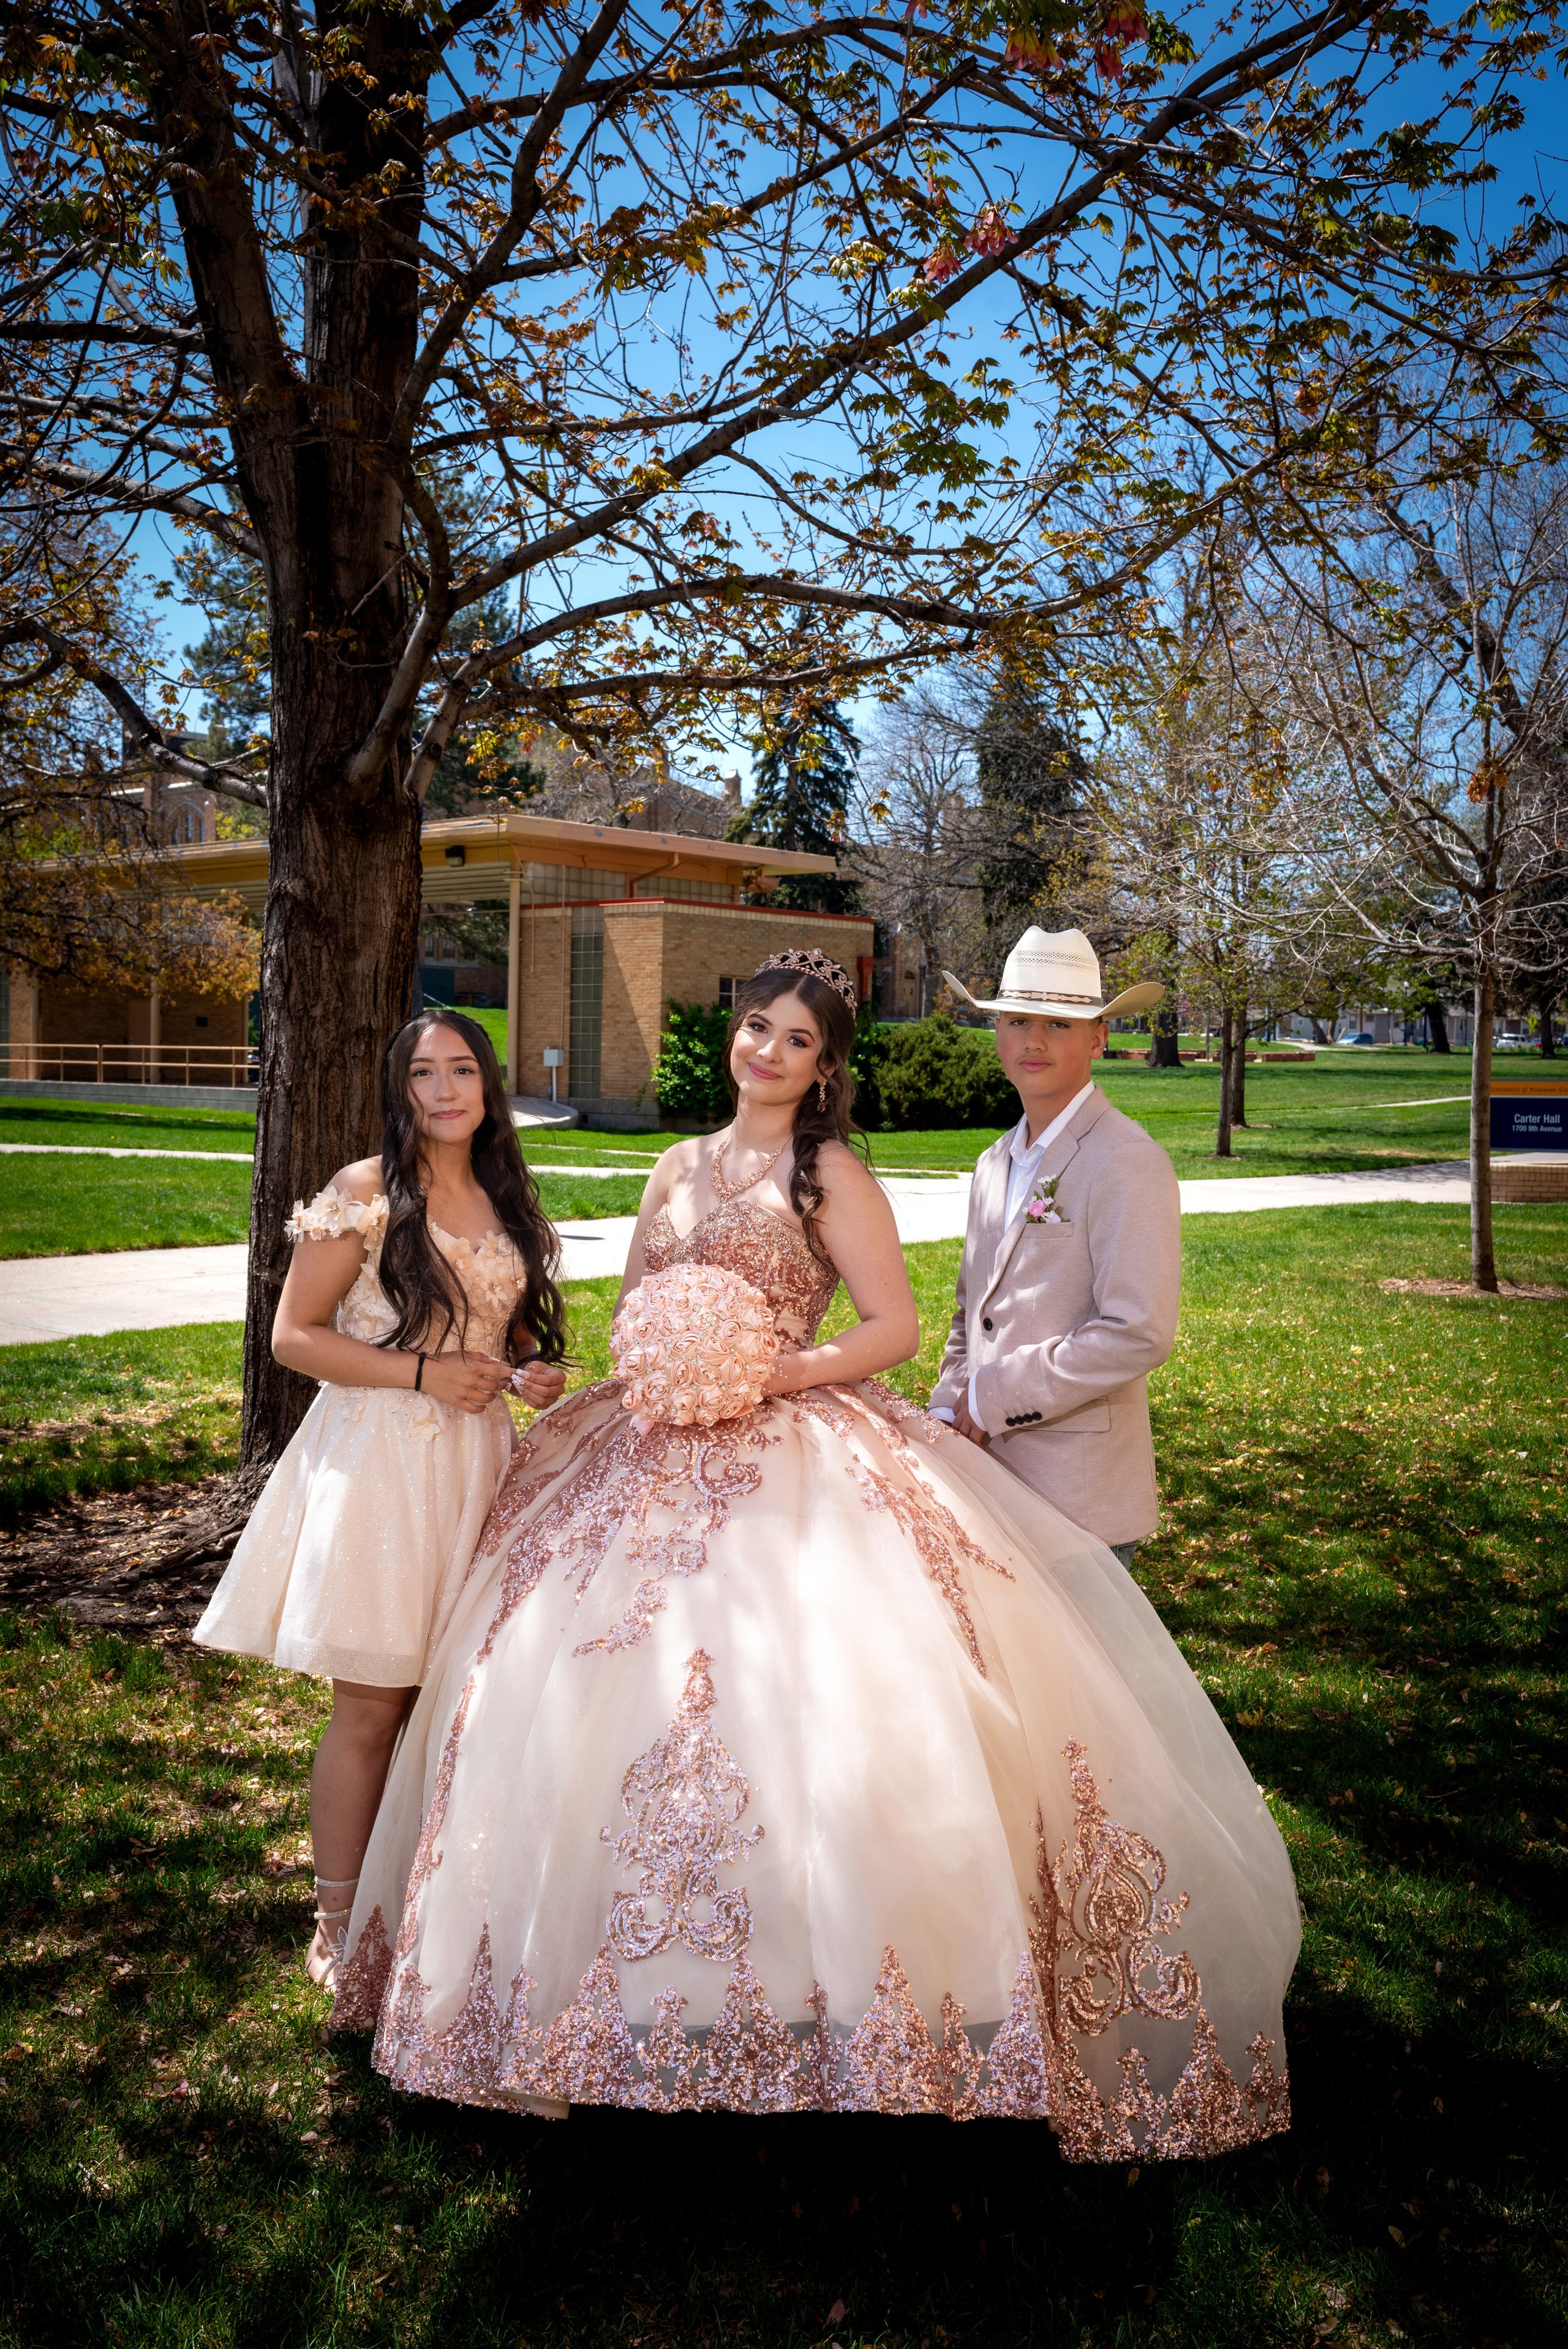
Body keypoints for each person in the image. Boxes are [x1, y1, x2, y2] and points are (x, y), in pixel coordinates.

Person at [331, 951, 1299, 2159]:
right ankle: (580, 1995)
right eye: (754, 1028)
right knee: (562, 1684)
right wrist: (634, 1368)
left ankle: (836, 1992)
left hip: (788, 1437)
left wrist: (766, 1369)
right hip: (646, 1447)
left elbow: (890, 1326)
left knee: (820, 1701)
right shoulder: (674, 1165)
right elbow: (636, 1305)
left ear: (824, 1065)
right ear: (730, 1033)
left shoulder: (827, 1171)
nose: (768, 1053)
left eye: (796, 1041)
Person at [193, 1010, 568, 1986]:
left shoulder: (502, 1193)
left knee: (450, 1701)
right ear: (398, 1090)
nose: (444, 1091)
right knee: (371, 1705)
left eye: (462, 1071)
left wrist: (531, 1367)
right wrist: (421, 1374)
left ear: (490, 1084)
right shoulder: (363, 1193)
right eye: (422, 1075)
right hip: (385, 1467)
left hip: (481, 1465)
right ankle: (338, 1920)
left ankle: (421, 1897)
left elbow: (503, 1325)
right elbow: (293, 1336)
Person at [930, 928, 1179, 1571]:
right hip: (985, 1483)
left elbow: (1137, 1332)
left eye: (1059, 1023)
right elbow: (971, 1310)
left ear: (1098, 1036)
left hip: (1077, 1502)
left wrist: (992, 1396)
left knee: (1082, 1677)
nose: (1032, 1041)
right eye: (1015, 1020)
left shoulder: (1126, 1161)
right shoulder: (993, 1162)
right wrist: (950, 1399)